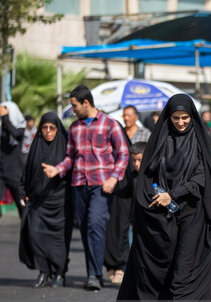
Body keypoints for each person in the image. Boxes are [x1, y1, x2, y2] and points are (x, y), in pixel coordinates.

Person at [114, 94, 211, 302]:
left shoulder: (199, 141)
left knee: (184, 267)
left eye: (185, 118)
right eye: (176, 118)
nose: (180, 123)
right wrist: (158, 196)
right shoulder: (161, 140)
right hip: (164, 215)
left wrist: (175, 194)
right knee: (168, 266)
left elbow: (202, 177)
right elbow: (148, 173)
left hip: (193, 212)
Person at [42, 85, 129, 291]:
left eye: (74, 105)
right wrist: (58, 170)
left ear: (86, 103)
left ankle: (94, 274)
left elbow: (123, 154)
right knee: (84, 230)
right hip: (79, 184)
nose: (72, 110)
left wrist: (114, 178)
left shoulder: (110, 124)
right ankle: (95, 273)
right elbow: (70, 157)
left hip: (101, 185)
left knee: (95, 226)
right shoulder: (74, 128)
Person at [19, 112, 72, 288]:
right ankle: (44, 271)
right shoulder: (36, 146)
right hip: (38, 201)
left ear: (58, 129)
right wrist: (24, 191)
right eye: (45, 127)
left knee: (59, 240)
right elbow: (26, 172)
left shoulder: (65, 147)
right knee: (36, 235)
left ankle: (59, 273)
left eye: (52, 128)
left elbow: (71, 169)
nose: (48, 131)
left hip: (60, 202)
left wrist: (57, 170)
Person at [103, 125, 134, 285]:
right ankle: (110, 265)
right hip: (107, 193)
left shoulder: (125, 151)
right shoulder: (105, 152)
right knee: (107, 230)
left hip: (124, 194)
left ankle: (121, 266)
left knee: (121, 230)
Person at [0, 101, 26, 217]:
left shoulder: (20, 127)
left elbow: (15, 133)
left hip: (15, 172)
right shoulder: (1, 128)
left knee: (22, 207)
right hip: (2, 170)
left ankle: (27, 233)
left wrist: (5, 117)